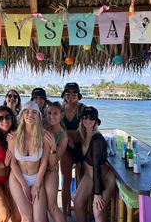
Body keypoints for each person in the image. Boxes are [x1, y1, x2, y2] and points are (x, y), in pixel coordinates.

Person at [8, 101, 50, 222]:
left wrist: (37, 184)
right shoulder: (13, 137)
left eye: (33, 112)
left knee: (39, 220)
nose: (29, 115)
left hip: (36, 178)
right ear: (21, 115)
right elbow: (13, 163)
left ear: (38, 116)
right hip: (17, 178)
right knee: (27, 218)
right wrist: (24, 184)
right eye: (26, 111)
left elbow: (44, 162)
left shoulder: (44, 137)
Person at [74, 107, 115, 222]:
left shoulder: (97, 140)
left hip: (105, 178)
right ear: (82, 120)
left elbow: (96, 167)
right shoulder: (82, 135)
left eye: (92, 118)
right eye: (85, 117)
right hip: (89, 176)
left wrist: (97, 194)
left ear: (96, 121)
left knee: (97, 210)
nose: (88, 120)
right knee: (77, 202)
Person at [60, 82, 86, 220]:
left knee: (82, 181)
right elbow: (55, 129)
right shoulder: (60, 109)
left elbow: (84, 132)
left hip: (81, 147)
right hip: (65, 148)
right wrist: (69, 135)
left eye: (74, 93)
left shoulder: (83, 109)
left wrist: (66, 133)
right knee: (66, 180)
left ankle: (81, 211)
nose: (71, 95)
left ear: (78, 95)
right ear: (64, 95)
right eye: (68, 92)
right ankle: (64, 214)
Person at [43, 102, 68, 222]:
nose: (51, 116)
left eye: (55, 113)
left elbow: (53, 163)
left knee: (51, 206)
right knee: (41, 206)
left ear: (61, 115)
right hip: (36, 170)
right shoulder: (42, 126)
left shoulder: (63, 136)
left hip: (50, 171)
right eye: (49, 113)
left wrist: (53, 147)